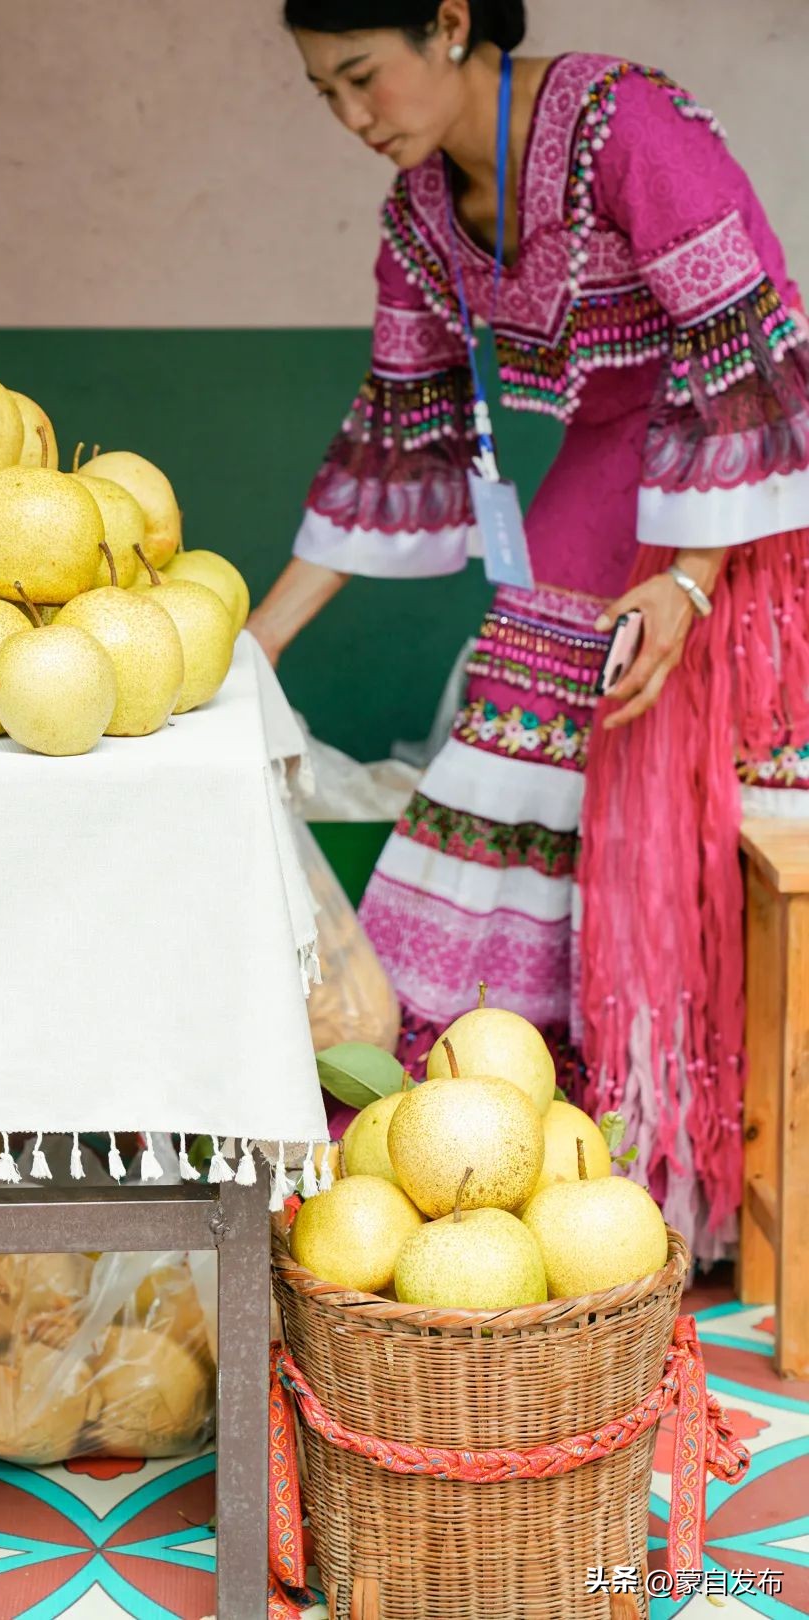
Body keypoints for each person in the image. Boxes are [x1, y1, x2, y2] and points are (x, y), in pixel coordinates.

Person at [247, 0, 809, 1260]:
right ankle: (458, 1158)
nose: (351, 118)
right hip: (611, 475)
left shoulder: (624, 122)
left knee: (728, 827)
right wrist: (252, 646)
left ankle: (675, 1179)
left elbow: (750, 342)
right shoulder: (420, 219)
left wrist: (699, 578)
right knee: (507, 743)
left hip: (757, 493)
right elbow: (403, 426)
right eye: (322, 94)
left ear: (450, 24)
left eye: (361, 77)